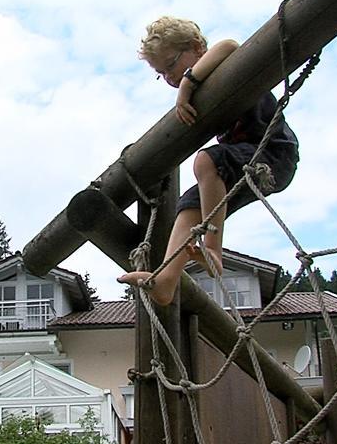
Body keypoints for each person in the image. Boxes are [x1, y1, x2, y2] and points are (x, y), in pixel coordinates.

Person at [118, 16, 299, 306]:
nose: (169, 77)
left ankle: (213, 249)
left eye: (171, 64)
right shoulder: (200, 97)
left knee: (206, 161)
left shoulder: (223, 66)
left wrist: (187, 85)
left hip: (273, 154)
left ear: (196, 47)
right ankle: (166, 281)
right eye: (160, 73)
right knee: (190, 203)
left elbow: (229, 45)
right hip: (239, 165)